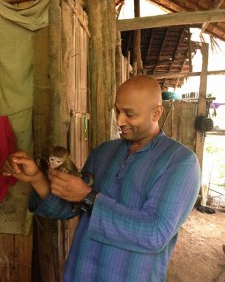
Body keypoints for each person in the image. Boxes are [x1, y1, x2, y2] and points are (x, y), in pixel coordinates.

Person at [1, 75, 201, 282]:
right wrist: (36, 178)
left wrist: (88, 197)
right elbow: (70, 208)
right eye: (117, 110)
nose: (119, 121)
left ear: (156, 113)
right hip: (79, 273)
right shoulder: (104, 152)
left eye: (129, 114)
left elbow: (154, 234)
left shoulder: (180, 162)